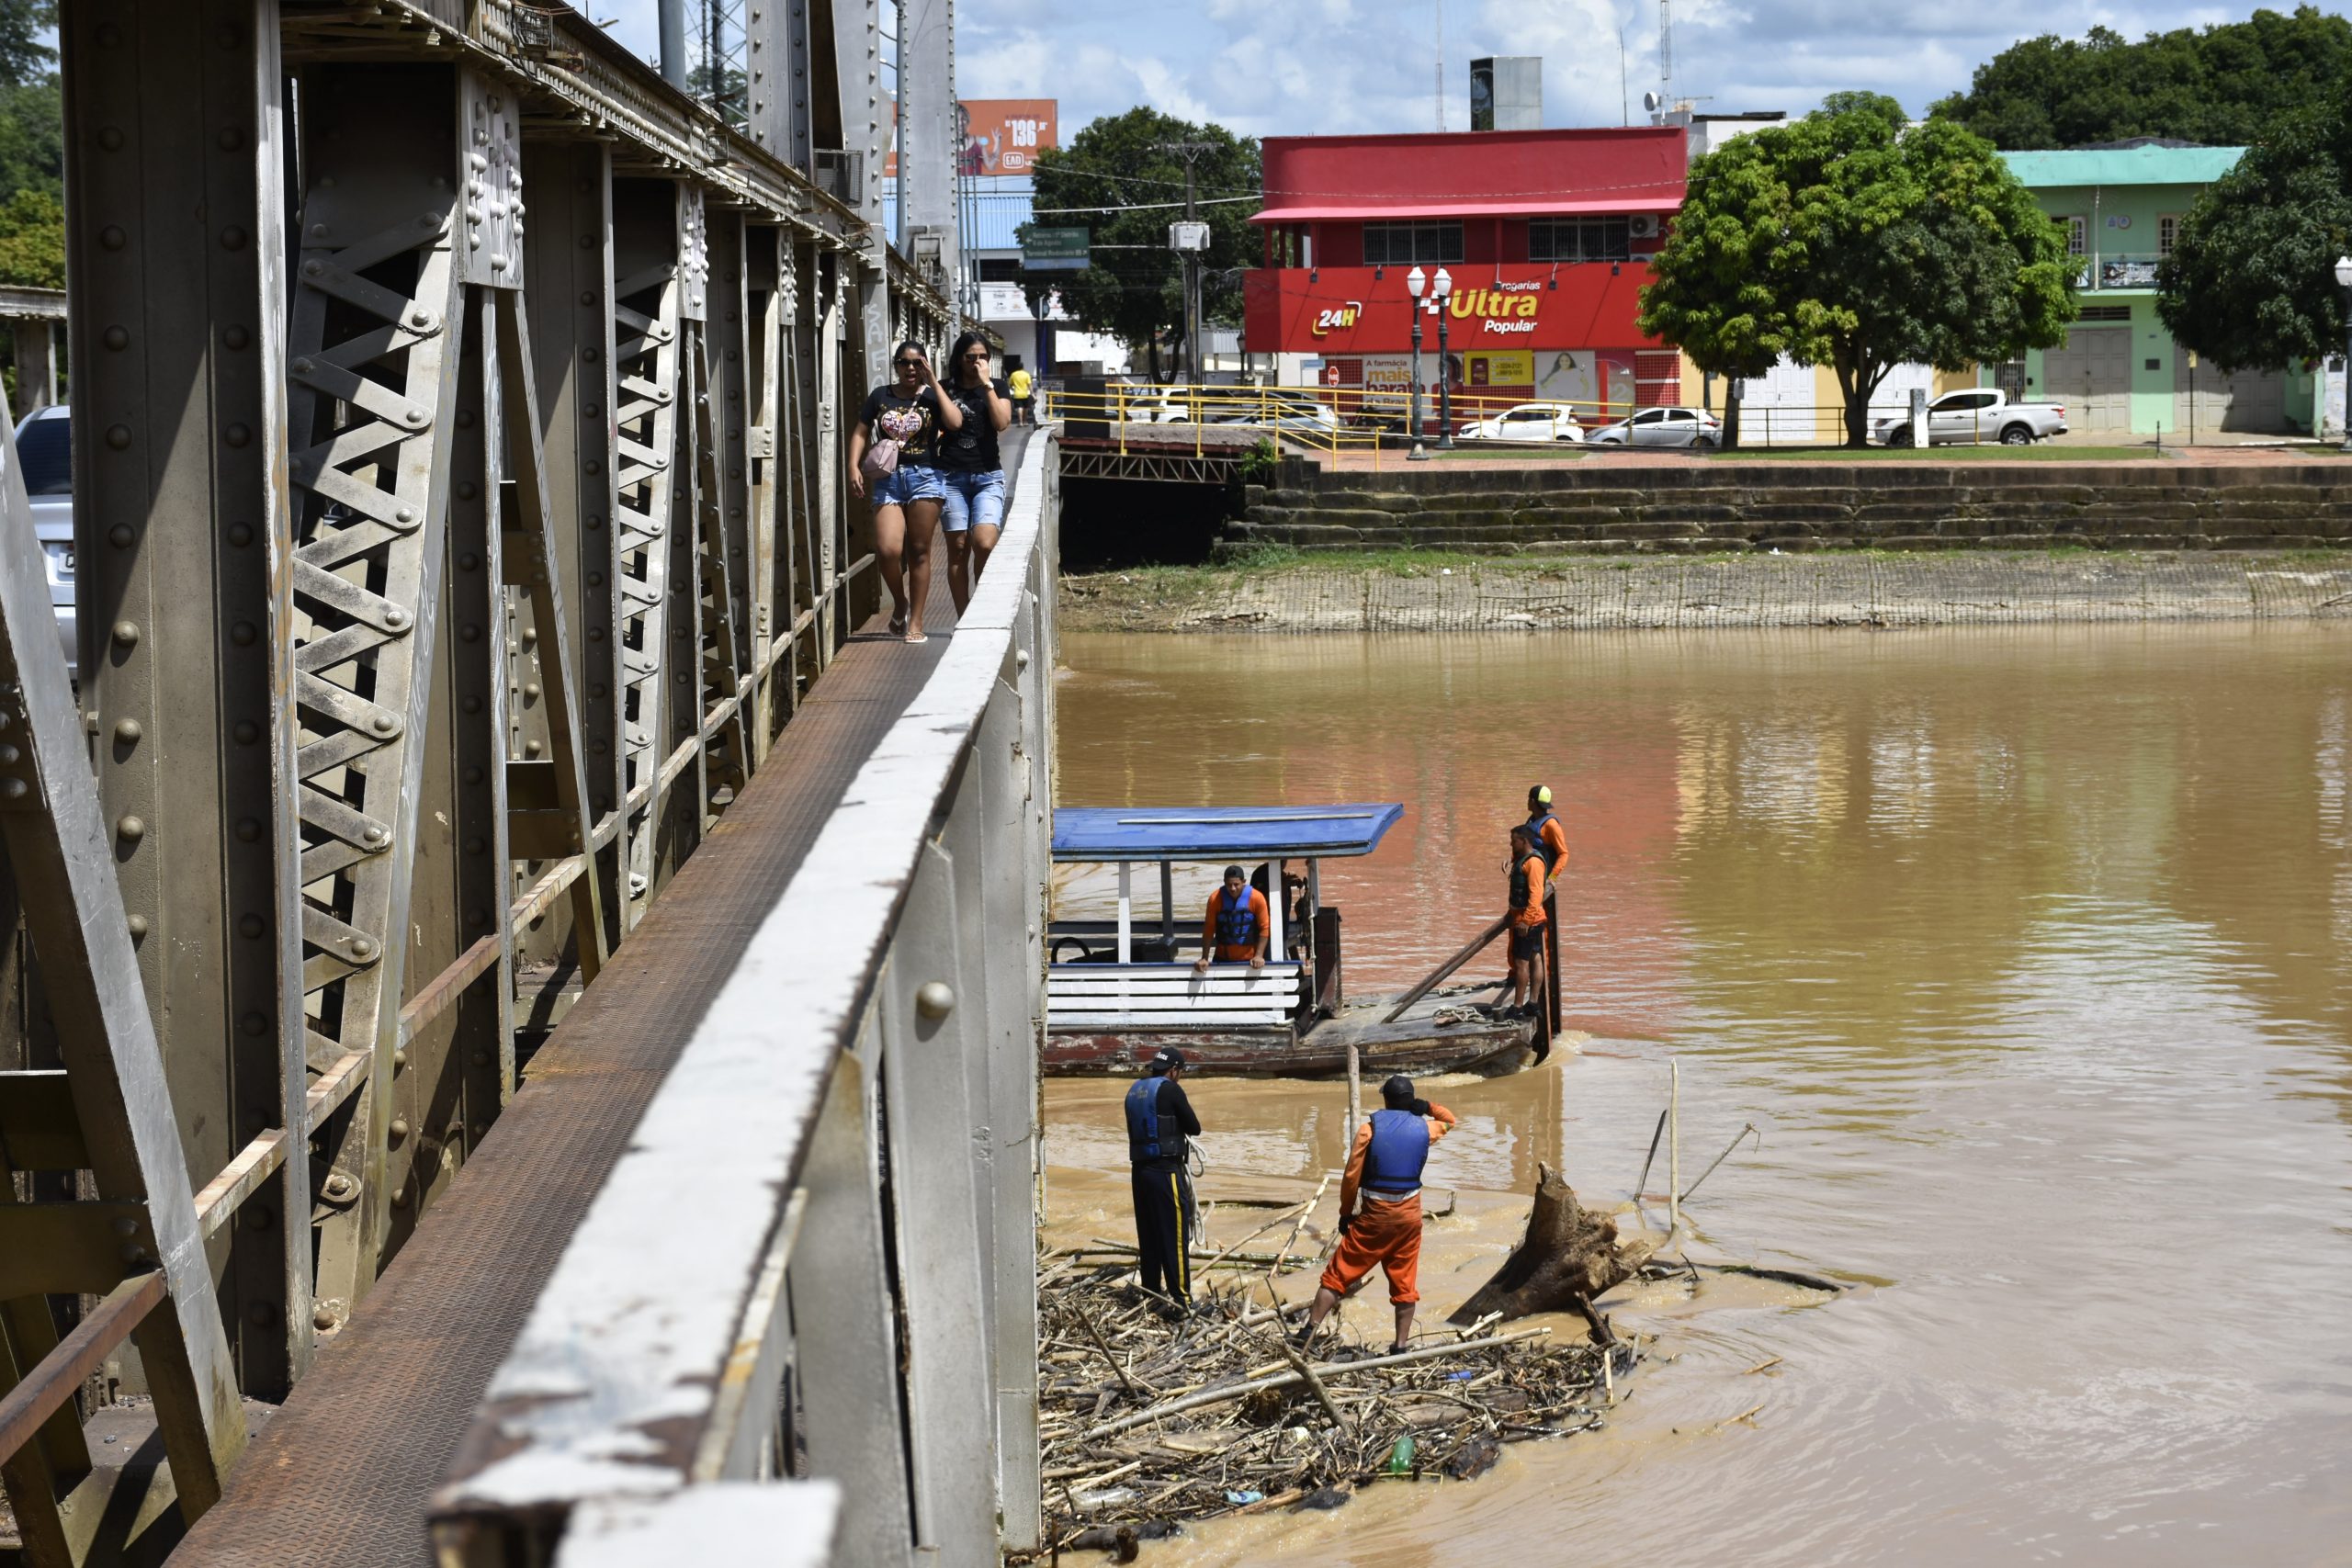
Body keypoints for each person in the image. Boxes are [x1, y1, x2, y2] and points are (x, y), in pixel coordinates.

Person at [1299, 1075, 1456, 1353]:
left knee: (1337, 1276)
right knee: (1404, 1283)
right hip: (1409, 1220)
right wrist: (1427, 1105)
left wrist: (1346, 1214)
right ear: (1410, 1100)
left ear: (1385, 1100)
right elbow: (1450, 1120)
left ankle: (1307, 1333)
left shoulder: (1368, 1131)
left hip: (1374, 1219)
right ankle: (1399, 1347)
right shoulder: (1426, 1129)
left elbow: (1351, 1178)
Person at [847, 341, 963, 644]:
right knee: (888, 550)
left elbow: (954, 423)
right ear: (896, 366)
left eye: (916, 363)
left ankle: (916, 621)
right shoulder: (880, 396)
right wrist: (853, 466)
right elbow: (861, 431)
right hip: (888, 479)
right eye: (904, 362)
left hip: (926, 475)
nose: (910, 368)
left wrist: (933, 382)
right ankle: (900, 601)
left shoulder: (932, 397)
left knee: (919, 551)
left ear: (924, 364)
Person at [935, 332, 1011, 615]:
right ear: (959, 359)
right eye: (971, 357)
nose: (977, 362)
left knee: (984, 543)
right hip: (951, 477)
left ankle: (980, 606)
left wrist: (987, 385)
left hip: (988, 476)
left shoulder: (998, 386)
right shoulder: (945, 388)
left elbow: (1003, 423)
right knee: (957, 548)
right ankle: (963, 615)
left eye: (983, 357)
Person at [1125, 1047, 1202, 1306]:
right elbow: (1194, 1127)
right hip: (1166, 1171)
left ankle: (1151, 1293)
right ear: (1174, 1070)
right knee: (1174, 1236)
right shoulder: (1170, 1089)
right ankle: (1182, 1302)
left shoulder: (1134, 1090)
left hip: (1140, 1172)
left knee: (1149, 1235)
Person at [1193, 863, 1269, 975]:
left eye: (1236, 884)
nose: (1233, 888)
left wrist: (1259, 956)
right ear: (1224, 882)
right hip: (1222, 959)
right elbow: (1209, 929)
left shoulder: (1257, 898)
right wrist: (1204, 957)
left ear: (1244, 882)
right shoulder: (1215, 899)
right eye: (1229, 885)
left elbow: (1265, 928)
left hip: (1250, 960)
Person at [1506, 823, 1548, 1020]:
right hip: (1530, 919)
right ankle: (1533, 1003)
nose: (1511, 844)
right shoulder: (1525, 859)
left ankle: (1518, 1006)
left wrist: (1527, 921)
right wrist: (1510, 861)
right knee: (1535, 958)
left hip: (1527, 921)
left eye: (1514, 841)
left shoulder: (1533, 863)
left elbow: (1536, 894)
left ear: (1524, 841)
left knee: (1521, 963)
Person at [1524, 784, 1569, 886]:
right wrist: (1512, 858)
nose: (1527, 802)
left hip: (1542, 876)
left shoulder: (1551, 825)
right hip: (1530, 872)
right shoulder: (1531, 821)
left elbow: (1563, 854)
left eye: (1528, 798)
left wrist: (1552, 877)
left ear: (1532, 801)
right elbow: (1525, 844)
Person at [1009, 362, 1035, 426]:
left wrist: (1012, 388)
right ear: (1023, 367)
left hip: (1017, 394)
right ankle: (1025, 421)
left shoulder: (1013, 374)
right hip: (1025, 394)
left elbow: (1010, 384)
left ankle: (1020, 422)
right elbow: (1029, 385)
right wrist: (1032, 393)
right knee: (1025, 408)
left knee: (1019, 407)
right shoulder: (1026, 374)